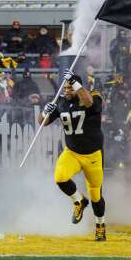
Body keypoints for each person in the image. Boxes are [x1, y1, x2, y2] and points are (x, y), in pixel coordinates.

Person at [38, 69, 106, 241]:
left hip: (93, 155)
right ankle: (79, 201)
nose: (66, 91)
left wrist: (76, 83)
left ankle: (100, 226)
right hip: (73, 152)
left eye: (69, 88)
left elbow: (89, 102)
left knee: (96, 195)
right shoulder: (61, 102)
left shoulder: (92, 96)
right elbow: (42, 123)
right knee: (60, 177)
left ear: (77, 87)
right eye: (65, 88)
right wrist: (44, 112)